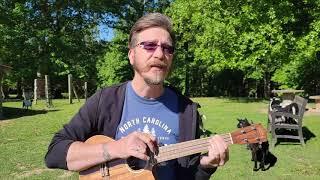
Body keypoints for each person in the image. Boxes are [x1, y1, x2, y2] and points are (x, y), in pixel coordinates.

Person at [45, 12, 229, 180]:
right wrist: (118, 148)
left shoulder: (187, 111)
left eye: (167, 48)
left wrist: (206, 167)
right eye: (149, 46)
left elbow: (186, 176)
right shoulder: (105, 100)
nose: (160, 54)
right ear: (131, 55)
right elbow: (55, 153)